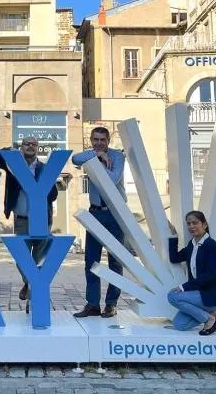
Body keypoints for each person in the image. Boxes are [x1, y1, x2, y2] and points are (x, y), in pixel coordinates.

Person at [0, 137, 58, 311]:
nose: (30, 146)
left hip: (41, 220)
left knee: (39, 260)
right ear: (21, 147)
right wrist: (9, 148)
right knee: (21, 257)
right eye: (26, 144)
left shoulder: (45, 169)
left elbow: (53, 195)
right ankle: (30, 282)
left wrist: (41, 183)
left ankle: (32, 294)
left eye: (34, 144)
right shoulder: (13, 167)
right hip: (22, 220)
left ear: (38, 148)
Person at [72, 127, 125, 319]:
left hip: (115, 214)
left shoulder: (117, 156)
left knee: (116, 260)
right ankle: (92, 304)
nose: (99, 142)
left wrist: (101, 160)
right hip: (95, 213)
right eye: (95, 139)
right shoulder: (90, 155)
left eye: (102, 139)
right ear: (91, 140)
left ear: (109, 140)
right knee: (91, 260)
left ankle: (111, 304)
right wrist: (97, 155)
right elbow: (74, 159)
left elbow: (113, 178)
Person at [167, 211, 216, 335]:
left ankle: (210, 319)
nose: (191, 226)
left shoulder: (212, 245)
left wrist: (183, 287)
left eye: (195, 223)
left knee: (172, 296)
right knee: (180, 325)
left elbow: (212, 275)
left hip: (211, 294)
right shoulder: (192, 245)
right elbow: (175, 258)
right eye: (188, 223)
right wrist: (174, 236)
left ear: (204, 225)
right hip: (199, 296)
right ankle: (212, 314)